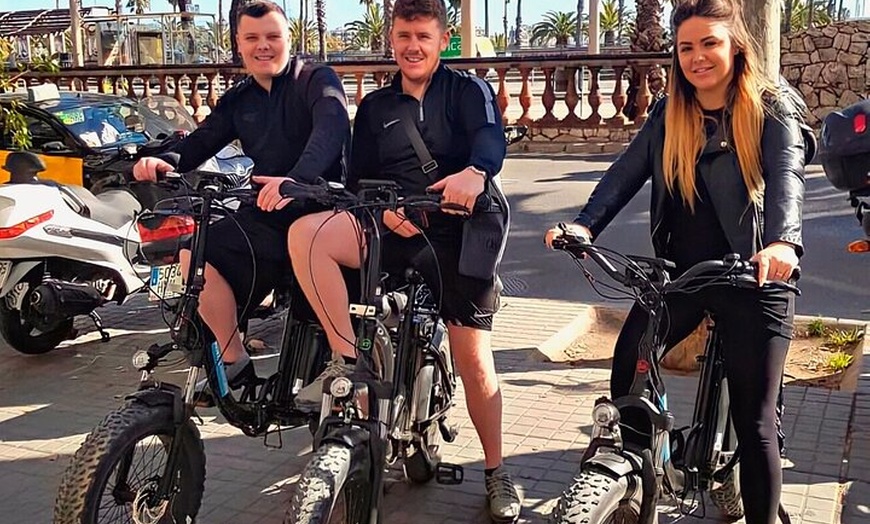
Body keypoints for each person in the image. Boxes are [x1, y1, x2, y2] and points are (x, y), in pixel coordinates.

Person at [545, 0, 814, 522]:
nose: (697, 57)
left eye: (709, 43)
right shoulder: (671, 111)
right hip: (682, 274)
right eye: (686, 47)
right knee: (628, 367)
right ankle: (635, 477)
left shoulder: (772, 106)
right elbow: (624, 174)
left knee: (755, 421)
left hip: (755, 273)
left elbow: (788, 177)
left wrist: (783, 242)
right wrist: (585, 225)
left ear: (736, 46)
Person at [284, 1, 521, 521]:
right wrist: (386, 212)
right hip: (393, 226)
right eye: (403, 36)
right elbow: (357, 178)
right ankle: (350, 362)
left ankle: (497, 471)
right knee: (309, 234)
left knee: (473, 359)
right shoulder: (374, 107)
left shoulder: (467, 91)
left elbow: (490, 141)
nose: (412, 45)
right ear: (391, 39)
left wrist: (475, 174)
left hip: (459, 233)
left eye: (423, 35)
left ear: (441, 41)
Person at [132, 0, 350, 402]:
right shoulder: (239, 98)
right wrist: (160, 160)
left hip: (324, 211)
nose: (262, 46)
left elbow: (331, 129)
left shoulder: (317, 80)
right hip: (266, 211)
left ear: (289, 39)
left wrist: (296, 180)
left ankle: (341, 371)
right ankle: (235, 364)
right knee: (194, 254)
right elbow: (201, 141)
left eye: (272, 36)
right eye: (252, 38)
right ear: (239, 43)